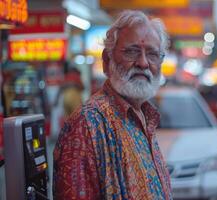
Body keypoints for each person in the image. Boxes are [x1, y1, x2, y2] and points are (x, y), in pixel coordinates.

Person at [53, 10, 172, 199]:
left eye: (152, 54)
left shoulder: (145, 117)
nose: (143, 63)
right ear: (107, 61)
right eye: (132, 51)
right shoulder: (88, 124)